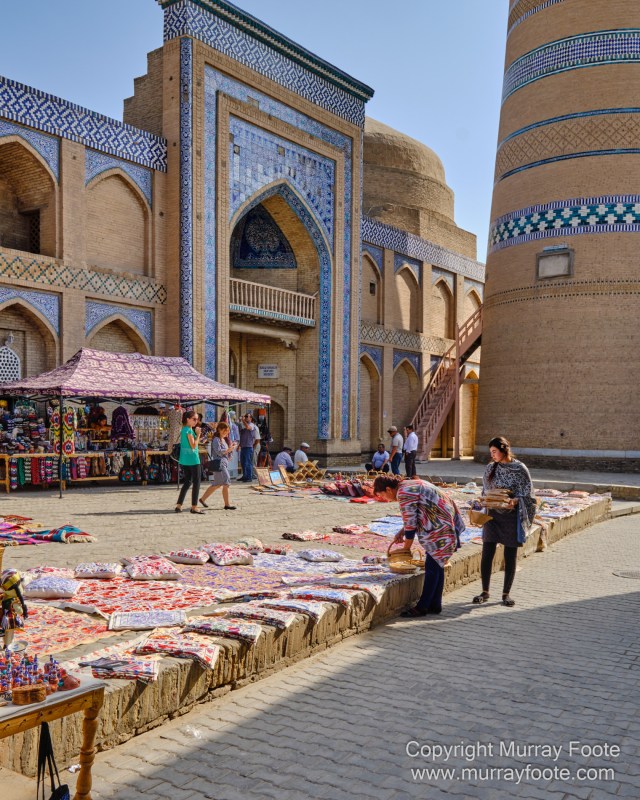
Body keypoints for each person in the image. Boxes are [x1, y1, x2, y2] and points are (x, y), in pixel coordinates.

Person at [374, 474, 465, 617]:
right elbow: (414, 515)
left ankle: (422, 607)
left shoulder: (403, 492)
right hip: (444, 522)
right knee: (437, 564)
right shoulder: (410, 484)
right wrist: (402, 532)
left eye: (383, 495)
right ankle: (435, 604)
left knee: (432, 567)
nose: (385, 499)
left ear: (388, 489)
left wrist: (406, 548)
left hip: (440, 526)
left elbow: (410, 523)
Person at [472, 436, 536, 608]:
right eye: (491, 452)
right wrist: (482, 501)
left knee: (510, 555)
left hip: (510, 517)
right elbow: (485, 491)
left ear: (504, 450)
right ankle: (485, 591)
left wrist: (515, 500)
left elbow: (528, 494)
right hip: (492, 515)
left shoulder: (519, 468)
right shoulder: (490, 468)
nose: (492, 455)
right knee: (487, 553)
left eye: (494, 451)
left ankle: (506, 594)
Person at [199, 421, 238, 510]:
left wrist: (231, 447)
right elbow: (219, 452)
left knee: (217, 484)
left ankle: (202, 499)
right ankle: (227, 504)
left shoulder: (223, 439)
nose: (226, 433)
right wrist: (229, 449)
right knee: (226, 481)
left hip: (223, 463)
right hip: (219, 464)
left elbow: (226, 453)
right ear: (219, 430)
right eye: (225, 431)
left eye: (227, 431)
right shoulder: (216, 439)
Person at [175, 410, 204, 514]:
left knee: (187, 482)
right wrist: (198, 435)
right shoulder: (189, 430)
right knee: (196, 482)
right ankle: (194, 507)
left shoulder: (184, 429)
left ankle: (179, 505)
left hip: (185, 459)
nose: (196, 421)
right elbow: (193, 445)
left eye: (197, 419)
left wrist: (198, 436)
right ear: (187, 419)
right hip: (193, 459)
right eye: (194, 419)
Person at [238, 413, 259, 482]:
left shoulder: (252, 425)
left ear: (251, 418)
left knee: (248, 462)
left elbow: (248, 427)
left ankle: (249, 477)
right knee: (243, 462)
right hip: (243, 446)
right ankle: (245, 476)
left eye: (247, 416)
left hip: (248, 446)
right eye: (245, 416)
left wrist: (243, 420)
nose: (245, 417)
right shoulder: (243, 425)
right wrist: (239, 445)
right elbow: (242, 436)